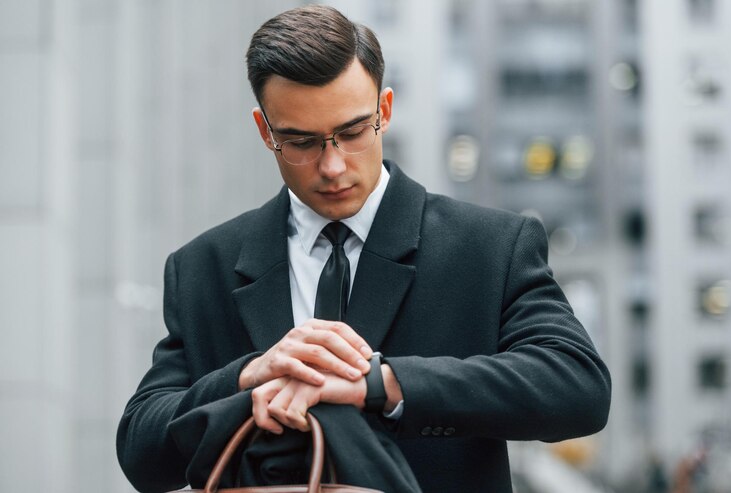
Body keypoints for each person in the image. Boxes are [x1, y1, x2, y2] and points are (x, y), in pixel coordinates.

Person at [117, 5, 611, 493]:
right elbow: (141, 451)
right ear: (265, 131)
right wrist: (248, 377)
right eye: (301, 141)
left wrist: (383, 385)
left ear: (385, 112)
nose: (331, 166)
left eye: (351, 132)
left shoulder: (489, 247)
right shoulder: (205, 268)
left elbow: (579, 387)